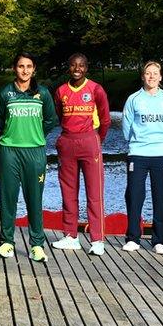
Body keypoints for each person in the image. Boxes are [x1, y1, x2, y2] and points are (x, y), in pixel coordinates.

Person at [0, 52, 58, 262]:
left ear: (34, 69)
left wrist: (36, 136)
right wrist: (12, 135)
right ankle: (7, 243)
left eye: (29, 66)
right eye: (21, 66)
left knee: (34, 199)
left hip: (35, 152)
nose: (25, 70)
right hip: (9, 151)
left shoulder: (43, 93)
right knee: (8, 198)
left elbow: (50, 120)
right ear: (15, 68)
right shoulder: (5, 93)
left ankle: (37, 245)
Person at [52, 53, 111, 255]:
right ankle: (71, 236)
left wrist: (96, 140)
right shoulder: (60, 91)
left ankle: (97, 240)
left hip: (89, 141)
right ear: (68, 67)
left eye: (81, 65)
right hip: (67, 141)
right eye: (73, 65)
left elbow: (105, 120)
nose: (77, 68)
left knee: (94, 192)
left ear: (86, 68)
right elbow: (59, 115)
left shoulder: (96, 89)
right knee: (68, 191)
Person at [121, 61, 163, 254]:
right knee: (135, 196)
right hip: (138, 153)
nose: (151, 76)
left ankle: (159, 240)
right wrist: (136, 141)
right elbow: (126, 126)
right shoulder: (134, 99)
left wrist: (158, 140)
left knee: (160, 197)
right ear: (143, 77)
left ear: (160, 77)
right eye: (148, 73)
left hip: (161, 154)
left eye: (155, 73)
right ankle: (133, 238)